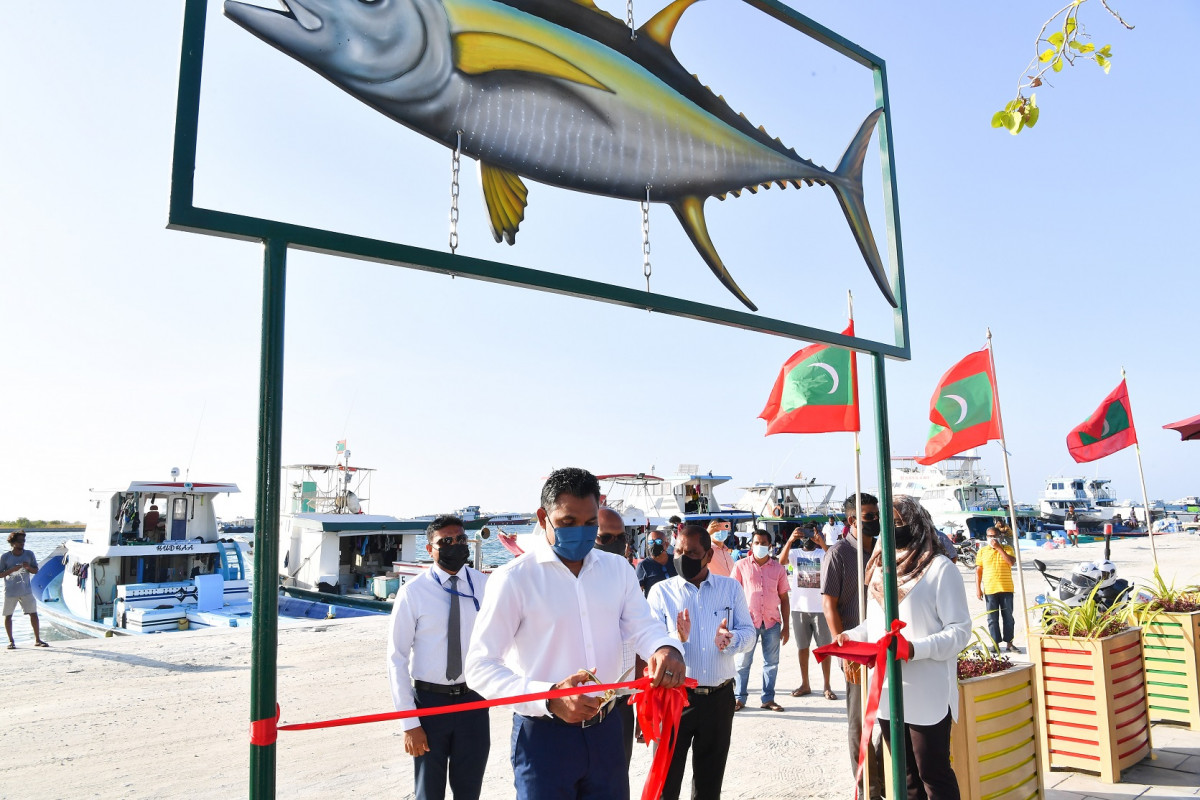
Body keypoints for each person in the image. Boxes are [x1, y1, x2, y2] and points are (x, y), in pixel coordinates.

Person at [465, 468, 684, 800]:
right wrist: (549, 697)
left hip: (608, 732)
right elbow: (480, 667)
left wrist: (665, 647)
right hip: (543, 739)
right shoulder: (513, 580)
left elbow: (643, 626)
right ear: (543, 518)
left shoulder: (618, 570)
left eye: (589, 523)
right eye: (568, 523)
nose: (580, 532)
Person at [836, 495, 971, 800]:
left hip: (928, 693)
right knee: (906, 777)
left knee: (933, 774)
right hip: (886, 691)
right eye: (888, 522)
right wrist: (851, 636)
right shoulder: (881, 569)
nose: (890, 528)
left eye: (898, 522)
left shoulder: (940, 569)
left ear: (916, 523)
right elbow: (875, 625)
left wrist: (913, 649)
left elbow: (960, 632)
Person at [646, 525, 754, 800]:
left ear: (708, 555)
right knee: (665, 782)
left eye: (691, 552)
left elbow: (749, 634)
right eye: (679, 551)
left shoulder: (730, 588)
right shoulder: (660, 593)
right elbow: (650, 643)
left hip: (719, 700)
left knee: (709, 782)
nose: (683, 557)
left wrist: (730, 640)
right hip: (675, 699)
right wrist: (676, 638)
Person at [388, 516, 489, 800]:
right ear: (430, 548)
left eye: (459, 539)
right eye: (445, 541)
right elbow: (396, 658)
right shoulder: (413, 593)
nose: (454, 545)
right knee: (428, 793)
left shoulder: (486, 586)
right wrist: (409, 722)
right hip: (430, 705)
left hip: (474, 702)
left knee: (469, 791)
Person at [822, 493, 883, 800]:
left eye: (876, 514)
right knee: (860, 723)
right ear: (852, 521)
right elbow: (828, 605)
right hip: (855, 650)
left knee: (886, 718)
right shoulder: (838, 554)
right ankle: (866, 787)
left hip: (885, 646)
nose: (875, 520)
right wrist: (843, 650)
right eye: (869, 516)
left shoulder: (886, 549)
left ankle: (884, 779)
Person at [597, 507, 638, 780]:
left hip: (622, 702)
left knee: (616, 779)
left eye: (621, 537)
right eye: (606, 538)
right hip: (581, 703)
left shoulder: (626, 574)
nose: (616, 544)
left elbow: (641, 630)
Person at [731, 529, 790, 711]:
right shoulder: (741, 566)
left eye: (764, 543)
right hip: (746, 623)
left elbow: (785, 599)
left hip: (772, 621)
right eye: (756, 542)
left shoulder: (778, 569)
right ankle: (739, 698)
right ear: (751, 544)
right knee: (743, 663)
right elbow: (732, 595)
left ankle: (768, 699)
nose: (760, 546)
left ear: (770, 546)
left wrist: (786, 626)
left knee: (771, 663)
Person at [779, 525, 835, 700]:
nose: (808, 538)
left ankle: (827, 685)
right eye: (804, 534)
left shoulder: (822, 553)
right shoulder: (795, 554)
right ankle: (805, 684)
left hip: (820, 609)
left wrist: (822, 543)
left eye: (811, 533)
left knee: (824, 649)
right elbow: (781, 561)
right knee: (802, 648)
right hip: (799, 609)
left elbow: (834, 559)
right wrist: (790, 540)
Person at [2, 530, 47, 649]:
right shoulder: (5, 557)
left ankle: (37, 640)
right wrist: (12, 569)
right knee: (8, 615)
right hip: (10, 591)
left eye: (24, 541)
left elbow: (36, 570)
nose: (22, 543)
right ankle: (11, 641)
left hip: (26, 591)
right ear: (13, 542)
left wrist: (28, 567)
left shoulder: (29, 554)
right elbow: (0, 574)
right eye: (19, 541)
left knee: (34, 614)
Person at [976, 526, 1017, 653]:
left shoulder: (1008, 549)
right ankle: (995, 643)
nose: (992, 538)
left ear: (1000, 536)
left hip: (1006, 588)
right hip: (990, 589)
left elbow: (1011, 562)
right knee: (992, 619)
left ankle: (1009, 643)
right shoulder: (982, 551)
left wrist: (999, 548)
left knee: (1008, 617)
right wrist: (978, 588)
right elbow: (978, 570)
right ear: (986, 537)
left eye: (994, 536)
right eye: (990, 536)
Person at [635, 531, 676, 596]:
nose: (654, 545)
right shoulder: (643, 566)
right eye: (650, 543)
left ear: (667, 544)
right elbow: (636, 594)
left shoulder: (676, 561)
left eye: (658, 542)